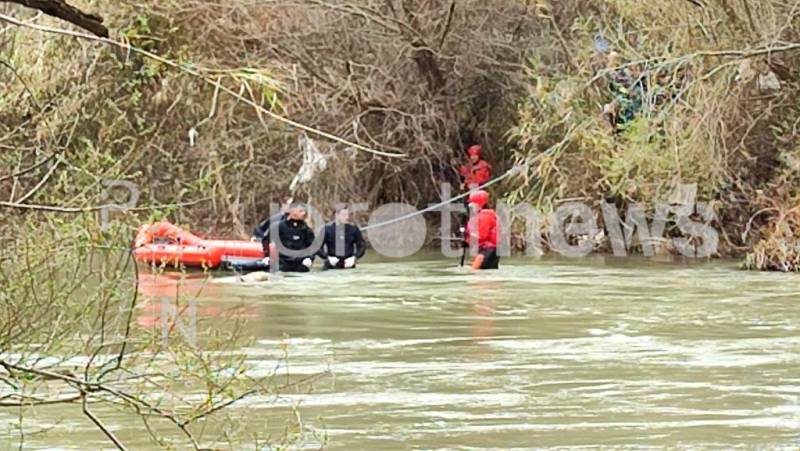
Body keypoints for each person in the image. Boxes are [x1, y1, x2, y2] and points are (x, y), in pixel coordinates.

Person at [261, 202, 317, 272]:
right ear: (292, 211)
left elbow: (313, 246)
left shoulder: (306, 229)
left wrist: (310, 258)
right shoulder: (279, 226)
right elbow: (265, 240)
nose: (303, 213)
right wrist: (266, 256)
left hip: (301, 265)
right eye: (301, 211)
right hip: (283, 264)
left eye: (304, 211)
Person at [318, 204, 367, 270]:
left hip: (348, 264)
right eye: (344, 215)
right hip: (331, 265)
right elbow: (318, 248)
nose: (347, 217)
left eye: (348, 215)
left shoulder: (354, 229)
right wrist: (327, 257)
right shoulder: (326, 230)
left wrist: (355, 257)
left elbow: (362, 246)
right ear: (336, 215)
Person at [463, 190, 499, 270]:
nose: (470, 206)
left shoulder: (485, 215)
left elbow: (481, 235)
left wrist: (467, 235)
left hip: (487, 251)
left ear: (479, 204)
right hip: (489, 251)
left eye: (472, 203)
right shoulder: (485, 214)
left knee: (476, 274)